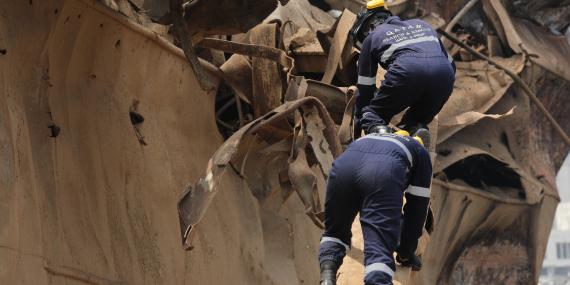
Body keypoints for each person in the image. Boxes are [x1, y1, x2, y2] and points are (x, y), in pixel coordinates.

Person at [318, 130, 432, 285]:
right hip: (381, 174)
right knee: (379, 248)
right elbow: (416, 211)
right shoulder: (421, 153)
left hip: (342, 167)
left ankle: (327, 277)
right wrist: (406, 252)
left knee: (334, 232)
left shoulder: (371, 137)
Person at [350, 0, 456, 147]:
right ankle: (415, 131)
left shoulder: (373, 36)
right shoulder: (422, 25)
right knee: (416, 119)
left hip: (407, 70)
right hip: (444, 76)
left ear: (370, 26)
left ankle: (384, 142)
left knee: (372, 116)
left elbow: (365, 87)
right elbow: (451, 64)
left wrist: (360, 118)